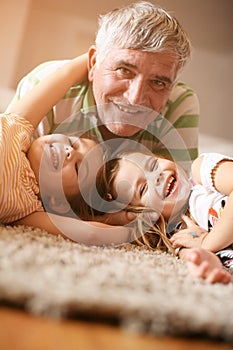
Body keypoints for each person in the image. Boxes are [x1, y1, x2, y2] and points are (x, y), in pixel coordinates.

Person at [7, 1, 199, 174]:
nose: (135, 98)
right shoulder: (47, 85)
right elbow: (8, 170)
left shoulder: (179, 103)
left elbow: (171, 202)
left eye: (158, 83)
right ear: (93, 61)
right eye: (124, 70)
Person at [0, 55, 132, 247]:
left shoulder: (26, 209)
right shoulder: (19, 126)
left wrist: (115, 221)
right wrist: (103, 53)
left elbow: (91, 234)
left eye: (79, 167)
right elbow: (65, 75)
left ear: (59, 203)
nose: (70, 151)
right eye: (73, 142)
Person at [87, 150, 233, 283]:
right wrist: (208, 266)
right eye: (143, 188)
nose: (156, 176)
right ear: (143, 215)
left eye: (153, 165)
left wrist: (207, 242)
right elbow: (195, 257)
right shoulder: (181, 238)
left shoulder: (202, 170)